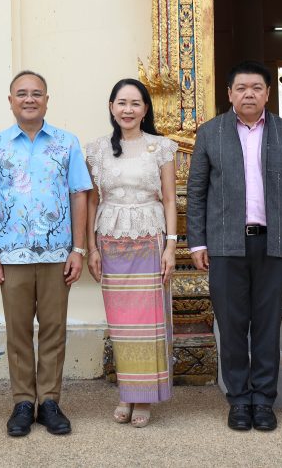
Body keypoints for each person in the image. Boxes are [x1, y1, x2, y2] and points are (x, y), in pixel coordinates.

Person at [187, 60, 282, 432]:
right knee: (232, 326)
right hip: (225, 245)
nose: (249, 94)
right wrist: (197, 243)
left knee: (267, 327)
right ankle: (239, 399)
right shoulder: (210, 133)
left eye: (256, 88)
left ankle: (264, 400)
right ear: (229, 94)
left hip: (273, 244)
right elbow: (196, 193)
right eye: (241, 88)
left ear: (268, 93)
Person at [0, 70, 93, 437]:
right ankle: (24, 402)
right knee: (18, 332)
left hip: (58, 254)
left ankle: (50, 401)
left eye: (36, 93)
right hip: (11, 257)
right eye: (22, 93)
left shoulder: (67, 143)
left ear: (46, 100)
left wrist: (78, 249)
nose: (29, 99)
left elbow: (79, 194)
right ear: (11, 100)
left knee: (55, 329)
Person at [85, 79, 178, 428]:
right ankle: (127, 391)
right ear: (112, 107)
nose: (128, 109)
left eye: (135, 103)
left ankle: (145, 396)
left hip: (149, 240)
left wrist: (171, 246)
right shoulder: (96, 150)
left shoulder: (161, 147)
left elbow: (169, 199)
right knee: (122, 325)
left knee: (149, 323)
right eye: (121, 103)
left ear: (145, 109)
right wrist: (91, 248)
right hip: (110, 241)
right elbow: (92, 201)